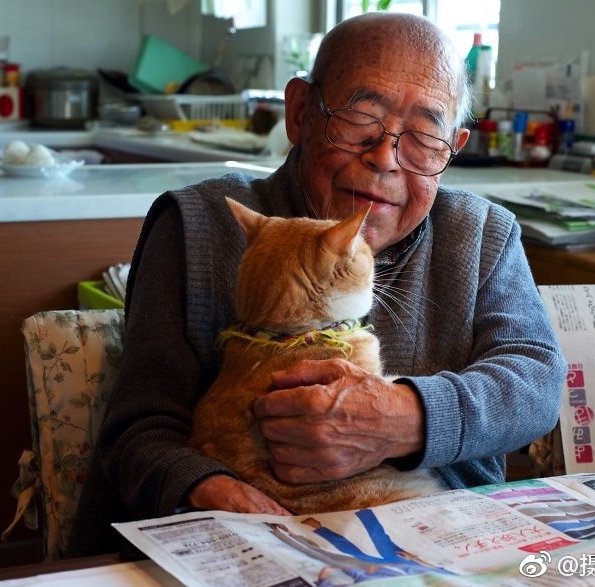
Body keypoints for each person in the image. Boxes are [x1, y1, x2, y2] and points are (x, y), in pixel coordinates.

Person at [68, 12, 566, 556]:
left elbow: (536, 383)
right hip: (249, 541)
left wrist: (403, 418)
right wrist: (213, 490)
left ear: (454, 147)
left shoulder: (481, 233)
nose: (385, 158)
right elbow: (137, 430)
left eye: (425, 136)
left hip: (438, 542)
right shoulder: (203, 224)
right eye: (360, 118)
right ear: (300, 112)